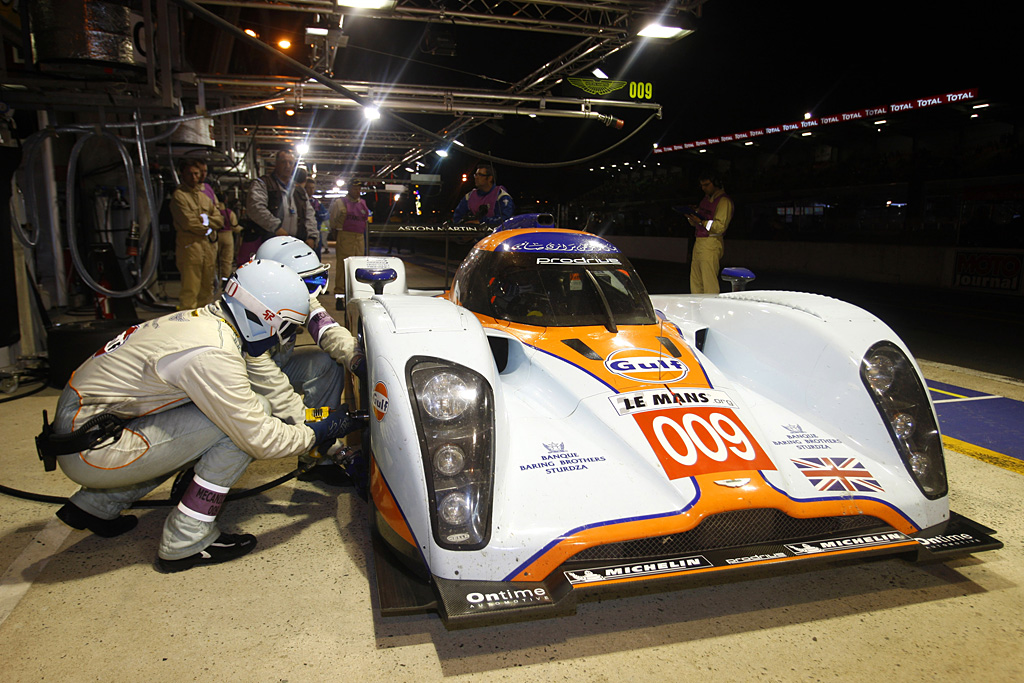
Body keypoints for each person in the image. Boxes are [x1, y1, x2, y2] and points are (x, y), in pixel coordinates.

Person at [40, 259, 359, 572]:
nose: (282, 336)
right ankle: (187, 539)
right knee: (240, 427)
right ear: (263, 317)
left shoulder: (207, 321)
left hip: (86, 426)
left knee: (204, 424)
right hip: (91, 449)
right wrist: (316, 433)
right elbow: (261, 440)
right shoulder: (213, 352)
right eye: (285, 326)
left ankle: (95, 507)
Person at [254, 236, 367, 485]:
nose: (310, 293)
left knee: (325, 364)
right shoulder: (249, 318)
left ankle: (315, 459)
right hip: (244, 381)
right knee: (260, 411)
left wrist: (356, 358)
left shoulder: (289, 295)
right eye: (304, 284)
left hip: (274, 366)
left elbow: (326, 330)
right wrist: (334, 442)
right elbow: (278, 394)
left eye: (314, 281)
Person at [240, 149, 317, 263]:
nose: (287, 166)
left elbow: (309, 215)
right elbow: (256, 208)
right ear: (276, 164)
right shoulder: (263, 184)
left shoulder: (299, 191)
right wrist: (275, 227)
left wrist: (312, 236)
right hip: (267, 245)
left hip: (294, 247)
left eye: (290, 163)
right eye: (283, 162)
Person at [170, 158, 222, 310]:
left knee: (207, 288)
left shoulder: (204, 197)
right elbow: (189, 223)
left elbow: (219, 220)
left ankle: (204, 322)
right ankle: (188, 323)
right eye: (190, 174)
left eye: (196, 174)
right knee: (190, 288)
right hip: (190, 247)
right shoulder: (179, 196)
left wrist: (204, 221)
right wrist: (208, 224)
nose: (194, 177)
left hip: (208, 247)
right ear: (182, 175)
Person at [686, 171, 734, 294]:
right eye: (702, 185)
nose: (704, 188)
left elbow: (720, 226)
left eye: (707, 185)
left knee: (708, 281)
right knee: (696, 280)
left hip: (712, 242)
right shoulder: (705, 200)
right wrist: (691, 217)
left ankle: (710, 307)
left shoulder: (724, 201)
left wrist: (701, 221)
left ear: (716, 183)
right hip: (700, 241)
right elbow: (697, 222)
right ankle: (696, 307)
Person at [329, 180, 370, 299]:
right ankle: (340, 295)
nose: (357, 191)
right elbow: (333, 220)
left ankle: (357, 292)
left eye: (359, 188)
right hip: (345, 236)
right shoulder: (340, 203)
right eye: (354, 188)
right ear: (348, 189)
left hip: (359, 238)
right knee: (343, 266)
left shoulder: (363, 203)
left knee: (358, 265)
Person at [215, 191, 240, 287]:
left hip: (215, 237)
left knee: (215, 261)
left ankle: (215, 280)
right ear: (225, 200)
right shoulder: (229, 212)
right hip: (228, 236)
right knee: (226, 260)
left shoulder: (215, 212)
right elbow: (235, 227)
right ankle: (225, 281)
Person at [304, 176, 329, 257]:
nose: (311, 190)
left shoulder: (317, 203)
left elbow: (325, 215)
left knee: (316, 258)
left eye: (312, 188)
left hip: (316, 232)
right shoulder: (300, 201)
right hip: (303, 234)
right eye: (308, 188)